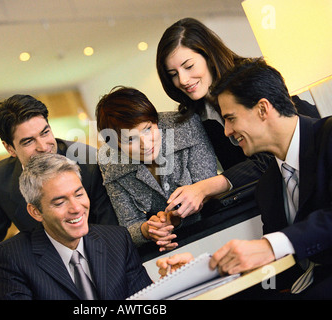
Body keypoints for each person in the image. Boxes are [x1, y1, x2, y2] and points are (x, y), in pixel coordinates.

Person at [157, 58, 332, 299]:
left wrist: (270, 246)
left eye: (230, 118)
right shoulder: (269, 185)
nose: (227, 131)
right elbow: (275, 268)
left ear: (263, 109)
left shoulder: (329, 136)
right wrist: (206, 273)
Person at [156, 17, 321, 219]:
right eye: (173, 73)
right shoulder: (196, 117)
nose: (182, 80)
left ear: (209, 56)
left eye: (189, 66)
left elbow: (275, 156)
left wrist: (206, 187)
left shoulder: (253, 79)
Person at [0, 94, 118, 298]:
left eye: (45, 132)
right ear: (9, 148)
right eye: (28, 141)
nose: (44, 147)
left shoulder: (90, 162)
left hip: (100, 265)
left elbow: (110, 230)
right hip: (42, 278)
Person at [0, 153, 152, 299]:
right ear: (36, 211)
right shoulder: (11, 259)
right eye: (60, 202)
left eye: (79, 194)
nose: (77, 208)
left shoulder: (117, 239)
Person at [96, 86, 217, 250]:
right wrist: (146, 230)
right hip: (164, 249)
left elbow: (208, 189)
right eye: (130, 139)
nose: (145, 144)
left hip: (216, 225)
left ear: (155, 120)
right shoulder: (109, 161)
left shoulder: (184, 125)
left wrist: (175, 218)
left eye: (148, 129)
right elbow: (129, 225)